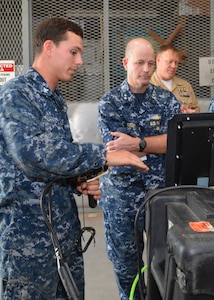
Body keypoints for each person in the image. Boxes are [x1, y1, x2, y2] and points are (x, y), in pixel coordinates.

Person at [0, 18, 149, 300]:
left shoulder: (55, 99)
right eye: (74, 51)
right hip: (28, 238)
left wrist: (78, 181)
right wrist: (104, 155)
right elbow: (32, 155)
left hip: (62, 233)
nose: (80, 61)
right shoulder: (17, 95)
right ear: (49, 47)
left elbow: (57, 159)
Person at [98, 38, 181, 300]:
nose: (145, 69)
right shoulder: (110, 103)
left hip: (159, 194)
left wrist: (137, 143)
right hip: (121, 197)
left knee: (166, 260)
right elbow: (115, 151)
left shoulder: (166, 100)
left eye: (149, 63)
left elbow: (175, 142)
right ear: (125, 63)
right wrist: (156, 144)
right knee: (126, 265)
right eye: (139, 63)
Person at [150, 44, 200, 113]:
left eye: (176, 62)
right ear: (158, 60)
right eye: (170, 62)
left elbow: (196, 109)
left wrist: (191, 113)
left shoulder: (185, 85)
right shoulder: (146, 85)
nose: (174, 66)